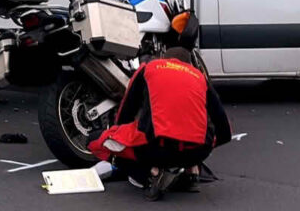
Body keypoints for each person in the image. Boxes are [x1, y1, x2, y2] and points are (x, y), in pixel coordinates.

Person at [90, 45, 232, 201]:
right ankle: (192, 172)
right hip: (197, 151)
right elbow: (224, 131)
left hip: (156, 149)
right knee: (194, 137)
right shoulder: (199, 77)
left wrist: (121, 134)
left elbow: (126, 110)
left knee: (96, 140)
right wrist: (200, 152)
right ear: (189, 64)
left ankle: (152, 174)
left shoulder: (149, 68)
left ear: (163, 58)